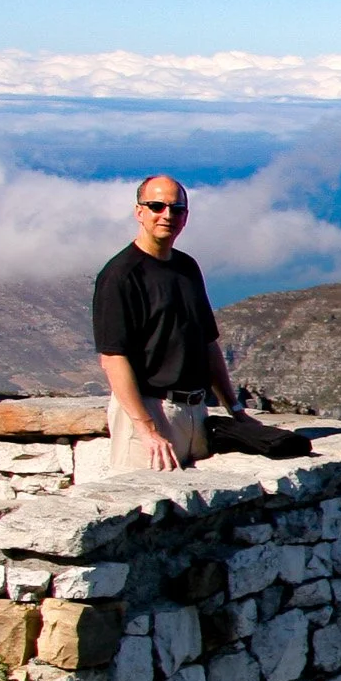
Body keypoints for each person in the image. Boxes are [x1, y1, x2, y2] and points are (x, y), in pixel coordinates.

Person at [93, 174, 253, 472]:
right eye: (157, 206)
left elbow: (207, 343)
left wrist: (235, 408)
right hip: (151, 411)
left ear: (185, 217)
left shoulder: (186, 267)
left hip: (197, 412)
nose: (167, 215)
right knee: (144, 512)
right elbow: (114, 359)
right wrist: (146, 430)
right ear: (139, 212)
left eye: (176, 209)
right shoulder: (121, 276)